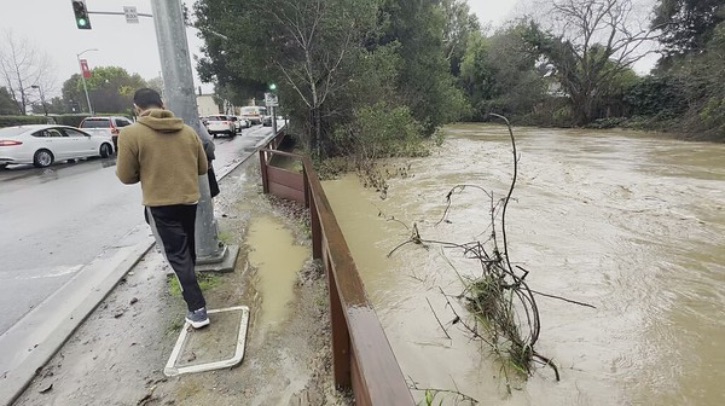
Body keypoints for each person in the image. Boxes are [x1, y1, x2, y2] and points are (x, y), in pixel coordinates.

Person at [116, 88, 211, 329]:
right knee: (187, 251)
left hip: (160, 205)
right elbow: (202, 168)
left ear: (137, 108)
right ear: (162, 103)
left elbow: (126, 176)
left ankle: (197, 309)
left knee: (177, 256)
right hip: (188, 200)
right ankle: (192, 291)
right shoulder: (188, 132)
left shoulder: (131, 134)